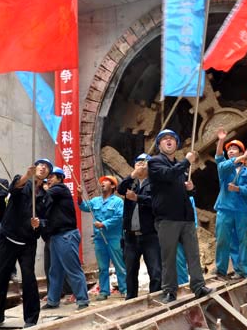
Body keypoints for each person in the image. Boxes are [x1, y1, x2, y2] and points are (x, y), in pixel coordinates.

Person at [0, 158, 52, 329]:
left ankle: (31, 318)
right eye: (40, 165)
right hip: (8, 238)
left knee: (29, 279)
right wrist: (26, 176)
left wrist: (39, 223)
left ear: (48, 174)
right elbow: (13, 189)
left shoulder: (45, 197)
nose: (43, 167)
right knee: (1, 277)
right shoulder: (21, 181)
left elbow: (46, 220)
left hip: (28, 242)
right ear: (34, 168)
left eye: (47, 167)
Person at [147, 128, 213, 303]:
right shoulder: (155, 163)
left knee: (193, 254)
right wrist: (186, 161)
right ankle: (169, 291)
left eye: (172, 139)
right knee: (169, 257)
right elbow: (168, 175)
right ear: (159, 144)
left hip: (186, 218)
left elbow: (186, 192)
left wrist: (191, 189)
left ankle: (198, 286)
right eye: (165, 139)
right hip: (167, 218)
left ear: (176, 144)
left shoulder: (180, 167)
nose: (169, 141)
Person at [36, 167, 89, 310]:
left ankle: (82, 300)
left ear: (60, 178)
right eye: (48, 178)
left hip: (66, 235)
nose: (49, 180)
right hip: (56, 236)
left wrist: (39, 186)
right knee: (55, 271)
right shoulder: (52, 196)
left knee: (73, 269)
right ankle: (53, 300)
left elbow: (43, 196)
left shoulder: (59, 189)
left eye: (52, 177)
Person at [117, 153, 162, 300]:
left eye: (144, 162)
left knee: (155, 271)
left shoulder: (156, 183)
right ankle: (131, 300)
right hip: (130, 236)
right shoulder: (132, 183)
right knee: (130, 272)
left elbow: (157, 202)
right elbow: (120, 189)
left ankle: (155, 299)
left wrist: (138, 198)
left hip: (150, 234)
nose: (141, 165)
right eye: (138, 162)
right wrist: (133, 175)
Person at [213, 128, 247, 279]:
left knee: (244, 241)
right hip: (225, 209)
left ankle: (245, 271)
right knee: (223, 240)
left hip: (241, 211)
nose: (231, 151)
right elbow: (219, 158)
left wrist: (238, 189)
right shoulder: (224, 168)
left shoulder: (246, 172)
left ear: (241, 152)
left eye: (234, 149)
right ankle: (221, 270)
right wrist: (221, 140)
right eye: (229, 149)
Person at [79, 175, 127, 300]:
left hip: (114, 238)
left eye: (106, 181)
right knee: (102, 267)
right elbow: (84, 207)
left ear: (113, 186)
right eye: (102, 181)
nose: (103, 183)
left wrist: (104, 224)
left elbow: (119, 217)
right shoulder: (95, 201)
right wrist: (79, 195)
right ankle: (104, 291)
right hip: (99, 238)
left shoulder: (118, 202)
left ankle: (125, 289)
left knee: (119, 265)